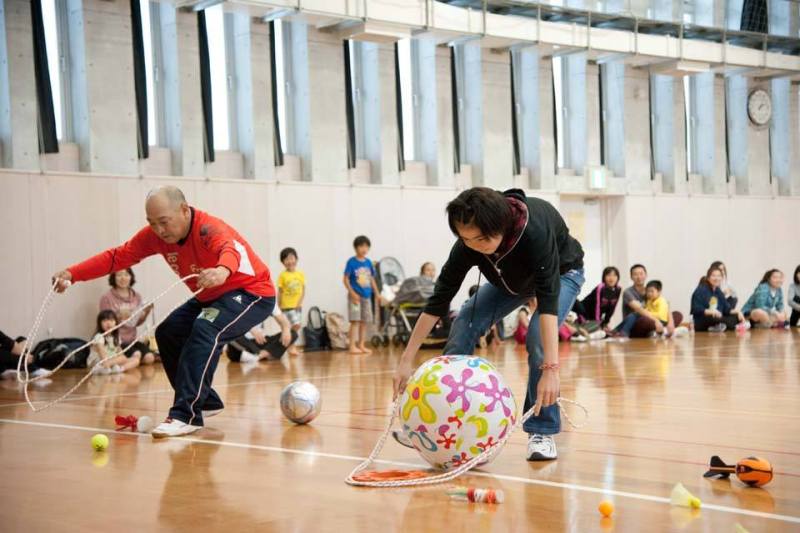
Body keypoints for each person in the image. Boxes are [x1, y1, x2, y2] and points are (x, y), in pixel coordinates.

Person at [52, 186, 275, 438]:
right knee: (168, 332)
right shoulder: (155, 236)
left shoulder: (208, 228)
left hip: (251, 293)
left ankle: (185, 415)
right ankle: (206, 401)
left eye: (164, 222)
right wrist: (73, 273)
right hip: (209, 297)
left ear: (183, 210)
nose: (159, 230)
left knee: (205, 329)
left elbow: (229, 250)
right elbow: (118, 257)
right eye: (151, 223)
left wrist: (223, 270)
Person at [392, 187, 585, 461]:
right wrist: (405, 359)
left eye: (481, 239)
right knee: (465, 322)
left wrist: (551, 370)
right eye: (466, 239)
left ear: (502, 225)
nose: (474, 245)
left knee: (537, 340)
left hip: (563, 273)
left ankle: (542, 429)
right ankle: (439, 422)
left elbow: (549, 300)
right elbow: (438, 300)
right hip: (508, 281)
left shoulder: (535, 230)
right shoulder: (469, 242)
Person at [99, 268, 156, 365]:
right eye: (119, 275)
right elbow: (104, 323)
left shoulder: (136, 296)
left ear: (131, 277)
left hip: (132, 340)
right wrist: (118, 316)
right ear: (114, 278)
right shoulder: (107, 297)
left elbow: (137, 323)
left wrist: (146, 312)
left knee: (149, 358)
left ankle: (127, 362)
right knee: (136, 355)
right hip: (117, 341)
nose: (123, 278)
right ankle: (122, 362)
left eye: (126, 274)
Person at [343, 235, 380, 354]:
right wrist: (352, 293)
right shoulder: (351, 262)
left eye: (366, 246)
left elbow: (372, 279)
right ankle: (352, 346)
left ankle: (361, 345)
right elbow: (345, 279)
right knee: (355, 321)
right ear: (356, 248)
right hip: (355, 297)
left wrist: (377, 294)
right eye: (361, 246)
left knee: (364, 321)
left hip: (367, 296)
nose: (364, 249)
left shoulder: (369, 262)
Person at [226, 308, 296, 363]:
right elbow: (231, 322)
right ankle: (268, 354)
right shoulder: (240, 300)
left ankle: (259, 356)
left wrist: (286, 329)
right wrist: (251, 329)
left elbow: (283, 322)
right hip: (241, 343)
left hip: (260, 341)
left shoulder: (270, 302)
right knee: (231, 333)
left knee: (293, 333)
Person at [691, 265, 746, 332]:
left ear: (722, 278)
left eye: (719, 276)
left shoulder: (718, 291)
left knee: (735, 317)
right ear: (708, 278)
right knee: (714, 318)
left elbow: (727, 309)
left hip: (719, 318)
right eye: (713, 276)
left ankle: (721, 326)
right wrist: (711, 312)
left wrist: (738, 312)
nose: (716, 278)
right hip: (703, 319)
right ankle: (726, 326)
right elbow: (696, 309)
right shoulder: (701, 289)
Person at [572, 266, 621, 338]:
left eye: (614, 275)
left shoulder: (618, 289)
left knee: (602, 328)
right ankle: (580, 330)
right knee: (596, 326)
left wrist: (605, 323)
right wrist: (598, 323)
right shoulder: (600, 287)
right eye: (609, 275)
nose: (611, 278)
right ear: (604, 277)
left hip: (595, 317)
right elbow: (597, 306)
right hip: (584, 312)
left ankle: (588, 333)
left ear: (618, 277)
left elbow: (612, 308)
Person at [88, 310, 142, 374]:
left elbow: (120, 353)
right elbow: (101, 353)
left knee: (135, 360)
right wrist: (107, 363)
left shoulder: (115, 337)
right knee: (122, 358)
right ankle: (103, 368)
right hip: (99, 361)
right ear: (99, 323)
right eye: (104, 321)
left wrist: (120, 361)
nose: (108, 323)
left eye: (111, 320)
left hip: (112, 361)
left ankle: (119, 369)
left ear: (116, 323)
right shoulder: (99, 337)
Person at [277, 247, 305, 357]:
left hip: (297, 306)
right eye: (286, 259)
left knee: (295, 326)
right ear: (283, 262)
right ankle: (290, 346)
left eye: (292, 258)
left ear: (296, 259)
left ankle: (289, 345)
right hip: (286, 306)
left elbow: (303, 290)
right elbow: (280, 291)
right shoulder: (282, 275)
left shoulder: (300, 274)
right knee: (294, 325)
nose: (290, 261)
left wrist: (299, 303)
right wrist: (278, 305)